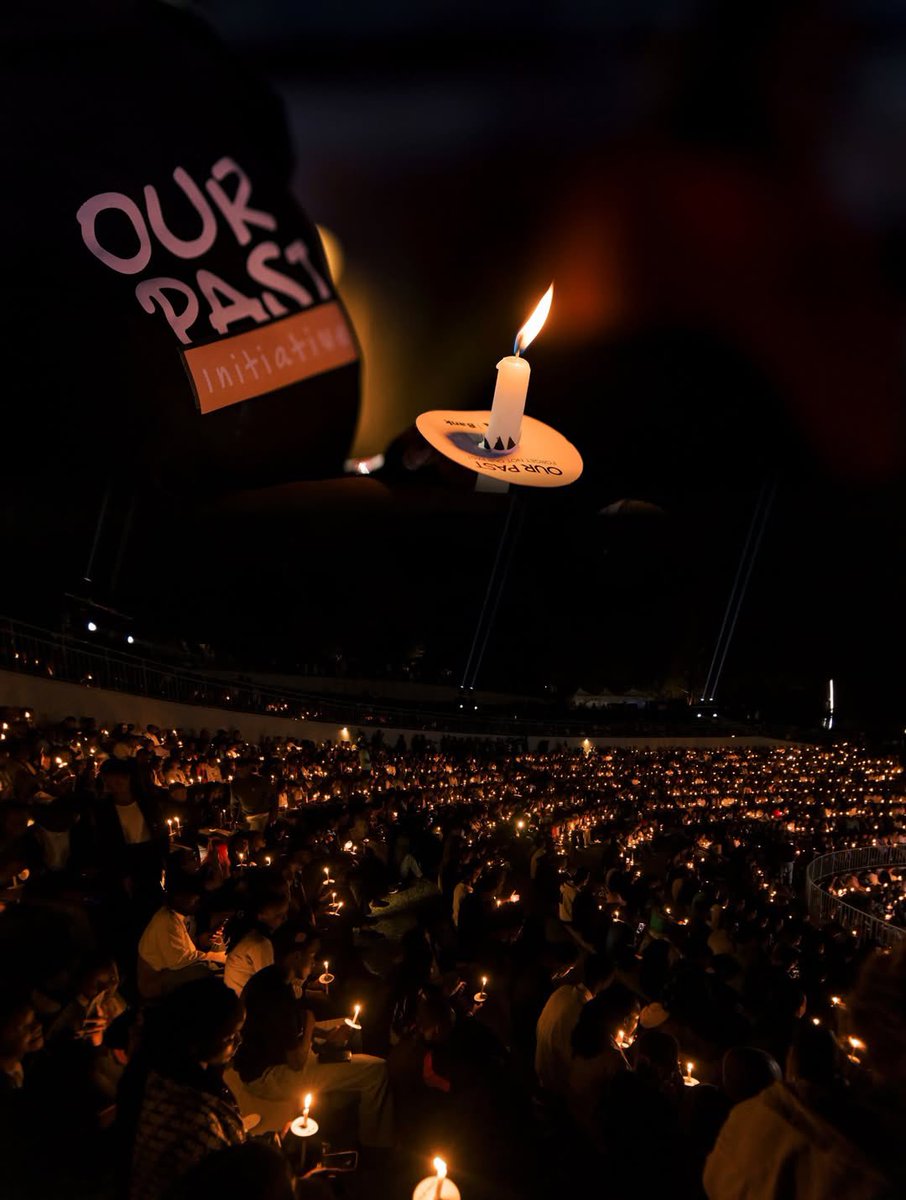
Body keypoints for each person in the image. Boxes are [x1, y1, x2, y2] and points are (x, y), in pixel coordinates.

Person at [234, 923, 393, 1147]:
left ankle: (343, 1106)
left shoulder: (273, 978)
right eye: (312, 956)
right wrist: (311, 1025)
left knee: (350, 1029)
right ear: (297, 956)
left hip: (279, 1057)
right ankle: (375, 1144)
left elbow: (288, 1028)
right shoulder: (275, 996)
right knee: (377, 1070)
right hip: (268, 1077)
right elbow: (297, 1061)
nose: (315, 962)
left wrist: (324, 1034)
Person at [129, 979, 246, 1200]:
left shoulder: (157, 1064)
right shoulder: (195, 1120)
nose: (239, 1041)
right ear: (200, 1040)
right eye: (231, 1037)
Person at [137, 872, 226, 999]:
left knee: (216, 953)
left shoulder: (178, 916)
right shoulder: (166, 920)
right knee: (206, 971)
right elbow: (180, 960)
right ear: (178, 896)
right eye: (192, 896)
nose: (197, 900)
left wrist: (202, 940)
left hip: (170, 970)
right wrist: (216, 957)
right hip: (156, 981)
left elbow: (182, 947)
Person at [535, 953, 613, 1097]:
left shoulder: (562, 991)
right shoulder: (583, 1014)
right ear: (605, 982)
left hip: (539, 1064)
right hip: (553, 1082)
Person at [224, 888, 289, 996]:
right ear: (260, 916)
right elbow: (271, 986)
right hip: (247, 1007)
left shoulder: (246, 935)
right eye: (279, 915)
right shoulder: (260, 944)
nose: (285, 919)